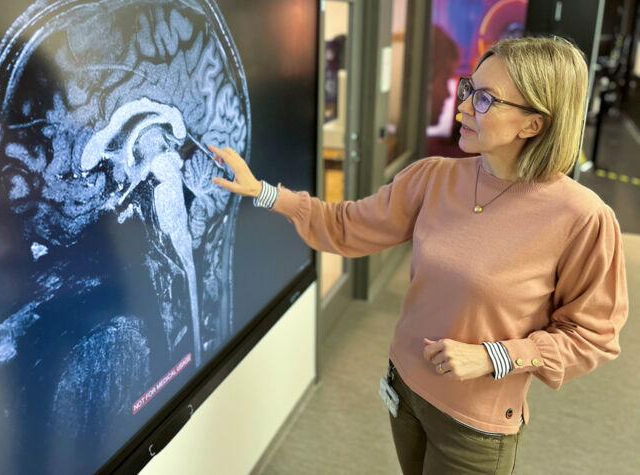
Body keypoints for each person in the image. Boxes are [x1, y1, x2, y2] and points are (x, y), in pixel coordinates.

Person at [209, 36, 628, 474]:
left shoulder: (582, 218)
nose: (462, 107)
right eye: (469, 88)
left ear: (533, 126)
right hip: (405, 390)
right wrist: (263, 193)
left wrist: (497, 356)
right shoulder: (435, 177)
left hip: (475, 426)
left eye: (484, 100)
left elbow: (593, 336)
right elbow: (348, 225)